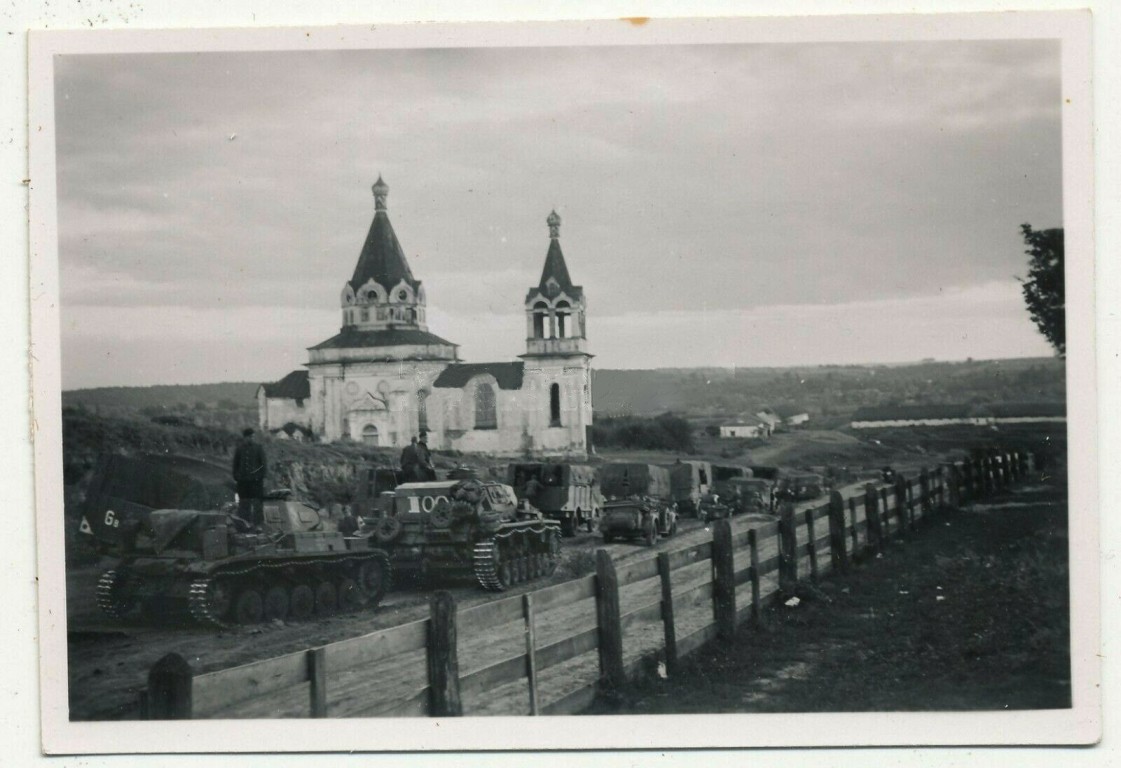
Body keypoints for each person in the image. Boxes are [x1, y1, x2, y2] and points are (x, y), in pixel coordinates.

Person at [232, 428, 267, 527]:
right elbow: (235, 465)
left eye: (253, 437)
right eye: (250, 437)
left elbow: (263, 465)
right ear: (245, 438)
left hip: (256, 483)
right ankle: (244, 526)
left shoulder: (258, 448)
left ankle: (259, 526)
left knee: (257, 505)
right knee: (243, 504)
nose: (252, 439)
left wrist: (259, 477)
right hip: (243, 483)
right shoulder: (239, 449)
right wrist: (237, 477)